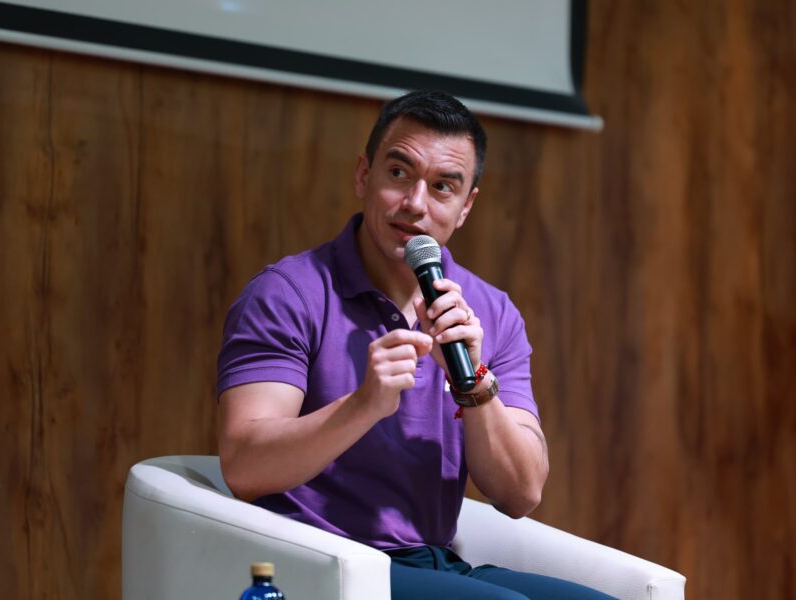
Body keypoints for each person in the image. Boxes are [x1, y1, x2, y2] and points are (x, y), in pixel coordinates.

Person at [217, 90, 613, 600]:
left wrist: (474, 384)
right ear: (364, 176)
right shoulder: (288, 293)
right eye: (399, 173)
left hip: (433, 563)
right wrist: (363, 405)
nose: (415, 204)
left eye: (443, 186)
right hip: (321, 563)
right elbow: (244, 467)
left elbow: (521, 493)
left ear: (466, 206)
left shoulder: (491, 313)